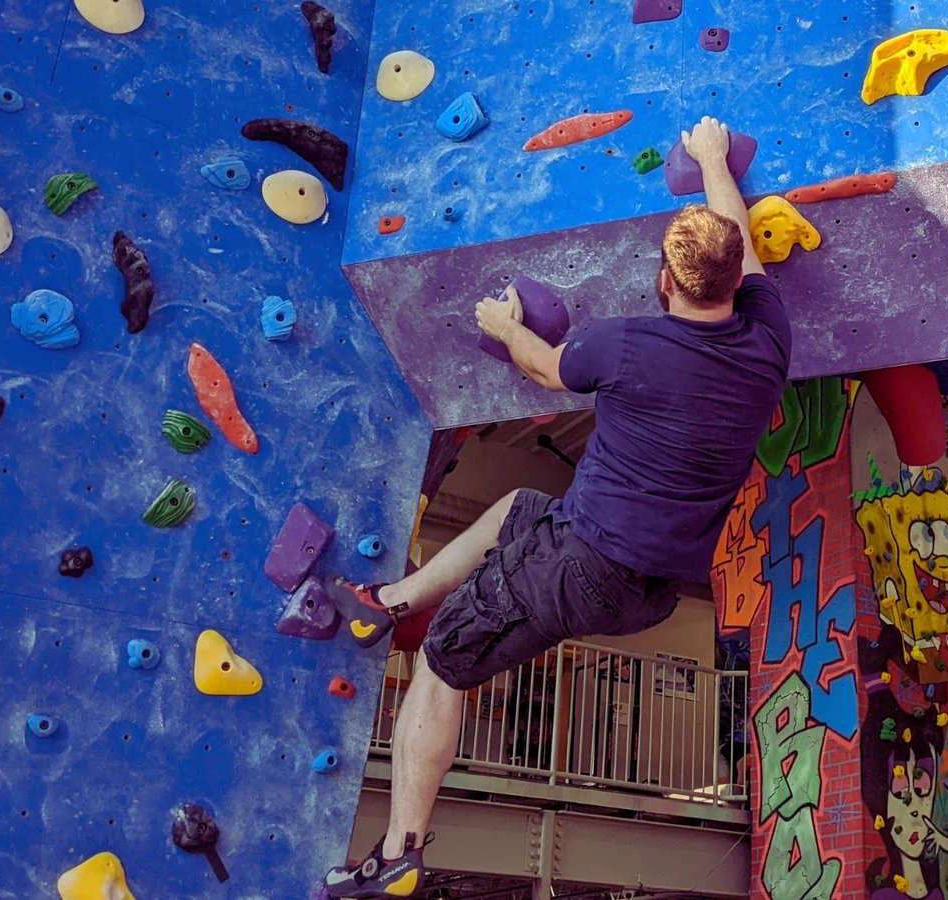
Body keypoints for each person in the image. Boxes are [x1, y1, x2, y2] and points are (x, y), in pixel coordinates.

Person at [321, 116, 792, 899]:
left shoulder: (629, 344)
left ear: (665, 281)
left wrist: (502, 325)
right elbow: (736, 233)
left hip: (581, 566)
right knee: (517, 507)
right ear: (734, 277)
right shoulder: (767, 346)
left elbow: (544, 368)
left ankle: (400, 851)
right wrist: (716, 160)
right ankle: (386, 603)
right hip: (647, 587)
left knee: (442, 666)